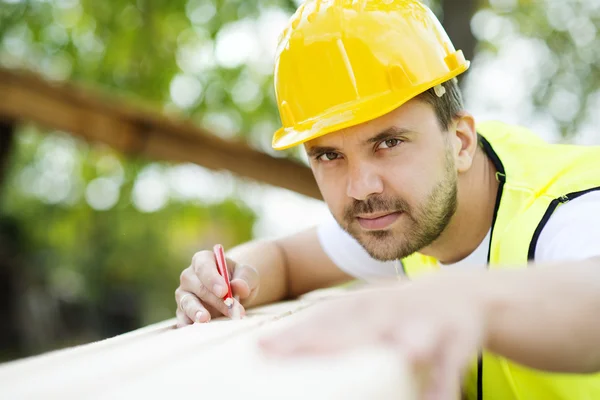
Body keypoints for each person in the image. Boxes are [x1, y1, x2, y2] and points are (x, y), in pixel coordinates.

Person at [175, 0, 600, 399]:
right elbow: (284, 260)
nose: (361, 188)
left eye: (389, 143)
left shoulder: (566, 212)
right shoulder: (406, 211)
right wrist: (225, 281)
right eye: (329, 155)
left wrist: (464, 297)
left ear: (461, 141)